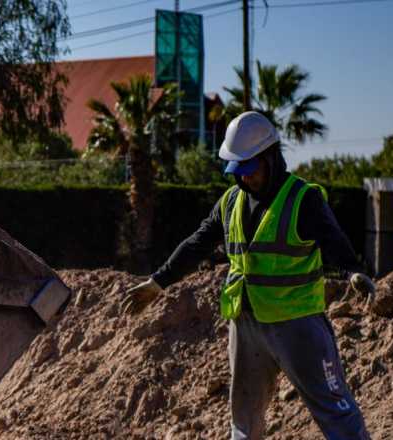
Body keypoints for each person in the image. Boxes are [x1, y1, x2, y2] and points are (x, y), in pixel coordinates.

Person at [121, 111, 375, 440]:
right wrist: (158, 282)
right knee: (244, 418)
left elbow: (333, 241)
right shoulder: (230, 202)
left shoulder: (302, 198)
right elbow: (197, 243)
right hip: (246, 324)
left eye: (250, 170)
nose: (244, 179)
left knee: (335, 410)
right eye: (237, 172)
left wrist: (353, 271)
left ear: (270, 157)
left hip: (297, 324)